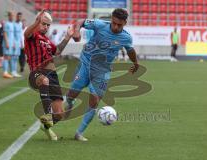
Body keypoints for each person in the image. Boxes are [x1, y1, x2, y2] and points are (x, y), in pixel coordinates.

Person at [65, 8, 139, 141]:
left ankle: (79, 133)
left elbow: (130, 50)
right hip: (85, 63)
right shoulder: (99, 25)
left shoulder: (126, 37)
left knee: (94, 99)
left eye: (119, 25)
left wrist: (136, 63)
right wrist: (76, 32)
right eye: (114, 23)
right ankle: (70, 102)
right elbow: (80, 21)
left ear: (125, 23)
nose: (116, 27)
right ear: (111, 19)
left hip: (102, 71)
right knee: (71, 94)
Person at [24, 10, 75, 141]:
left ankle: (46, 127)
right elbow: (26, 33)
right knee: (44, 80)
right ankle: (47, 114)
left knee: (59, 115)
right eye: (44, 24)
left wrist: (68, 37)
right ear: (38, 22)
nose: (46, 27)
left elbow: (57, 51)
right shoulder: (32, 36)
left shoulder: (47, 40)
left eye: (48, 25)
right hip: (37, 72)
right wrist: (36, 22)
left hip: (53, 76)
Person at [12, 12, 23, 77]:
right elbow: (12, 34)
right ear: (16, 17)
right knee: (14, 57)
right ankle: (13, 71)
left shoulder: (20, 24)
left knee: (16, 57)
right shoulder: (13, 24)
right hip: (14, 43)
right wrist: (13, 43)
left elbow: (21, 34)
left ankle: (14, 71)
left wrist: (22, 42)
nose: (19, 18)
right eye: (18, 16)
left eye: (20, 17)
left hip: (19, 43)